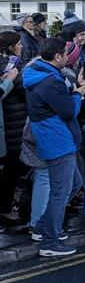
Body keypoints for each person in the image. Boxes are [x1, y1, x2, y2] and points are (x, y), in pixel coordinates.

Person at [23, 36, 85, 257]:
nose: (68, 57)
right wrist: (78, 96)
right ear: (57, 56)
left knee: (74, 184)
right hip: (58, 140)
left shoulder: (42, 75)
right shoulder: (49, 81)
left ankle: (43, 227)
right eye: (65, 53)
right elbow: (68, 111)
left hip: (54, 137)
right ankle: (49, 242)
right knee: (60, 192)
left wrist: (74, 91)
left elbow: (59, 104)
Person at [0, 31, 27, 220]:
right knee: (11, 170)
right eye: (19, 44)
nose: (22, 46)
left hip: (10, 122)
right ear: (11, 48)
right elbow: (24, 90)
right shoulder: (10, 68)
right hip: (13, 124)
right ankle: (6, 207)